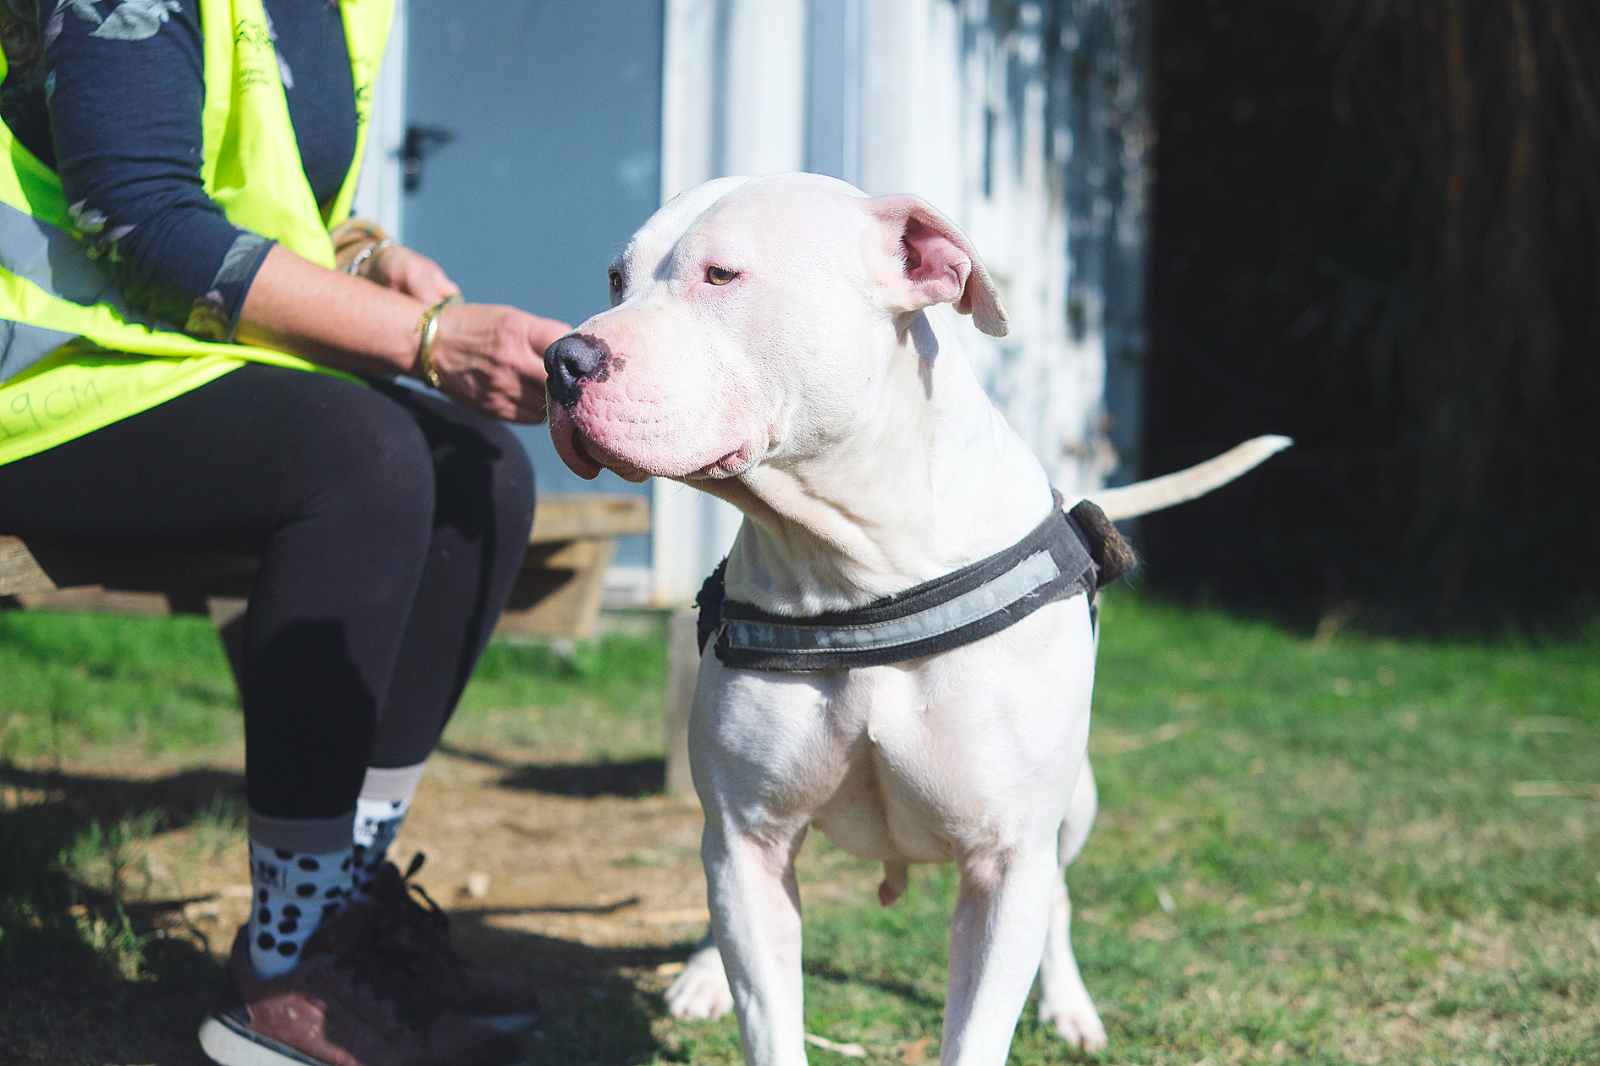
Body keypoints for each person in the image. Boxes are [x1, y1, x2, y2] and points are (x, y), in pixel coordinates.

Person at [0, 1, 569, 1064]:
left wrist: (362, 256)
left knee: (479, 470)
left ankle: (338, 906)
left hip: (159, 359)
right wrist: (429, 339)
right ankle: (289, 960)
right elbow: (145, 222)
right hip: (36, 374)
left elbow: (261, 194)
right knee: (361, 458)